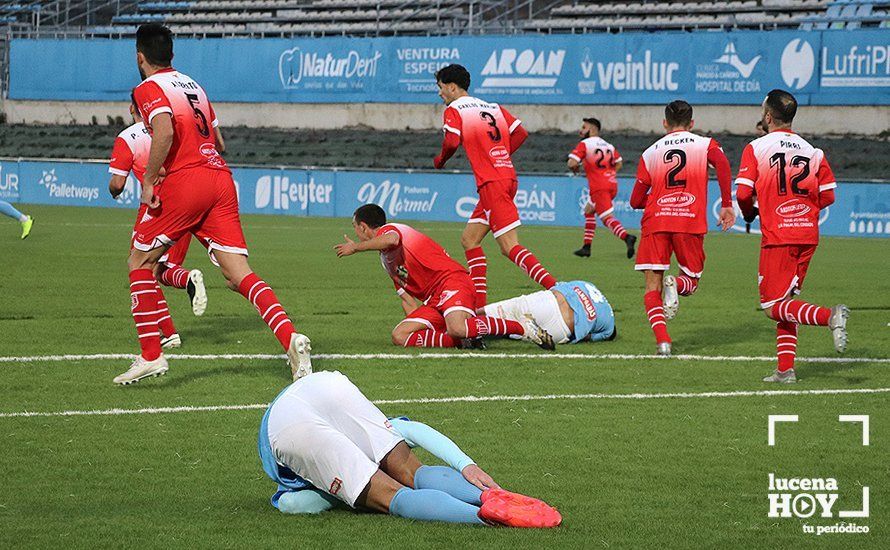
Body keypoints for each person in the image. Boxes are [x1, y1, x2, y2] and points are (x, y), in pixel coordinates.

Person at [115, 23, 311, 385]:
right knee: (239, 274)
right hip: (220, 178)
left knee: (139, 261)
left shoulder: (147, 88)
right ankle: (291, 340)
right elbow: (219, 141)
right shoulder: (194, 86)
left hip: (188, 179)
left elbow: (165, 130)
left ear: (140, 57)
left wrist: (149, 178)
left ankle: (151, 355)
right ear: (171, 55)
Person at [259, 369, 562, 527]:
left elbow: (293, 505)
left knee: (390, 496)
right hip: (324, 383)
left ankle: (484, 516)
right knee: (412, 470)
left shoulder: (292, 454)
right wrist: (465, 464)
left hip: (284, 424)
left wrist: (341, 496)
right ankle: (486, 496)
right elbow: (415, 430)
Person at [735, 89, 849, 383]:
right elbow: (828, 197)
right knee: (786, 302)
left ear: (769, 116)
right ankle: (785, 369)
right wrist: (802, 209)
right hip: (807, 235)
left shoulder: (756, 147)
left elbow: (744, 193)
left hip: (779, 235)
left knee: (773, 306)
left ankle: (829, 316)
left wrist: (753, 211)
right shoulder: (813, 151)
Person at [335, 204, 556, 350]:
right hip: (434, 300)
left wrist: (356, 248)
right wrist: (420, 323)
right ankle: (463, 342)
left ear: (363, 227)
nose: (355, 233)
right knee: (400, 335)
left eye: (355, 228)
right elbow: (407, 299)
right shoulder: (386, 261)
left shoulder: (391, 230)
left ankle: (522, 327)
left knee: (457, 327)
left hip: (452, 281)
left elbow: (391, 240)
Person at [433, 64, 558, 308]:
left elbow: (450, 142)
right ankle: (479, 308)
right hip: (506, 177)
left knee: (509, 246)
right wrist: (499, 153)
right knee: (470, 239)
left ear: (451, 87)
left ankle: (559, 290)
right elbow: (520, 133)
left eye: (440, 88)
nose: (439, 94)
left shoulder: (454, 109)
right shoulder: (493, 107)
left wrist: (441, 160)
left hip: (492, 183)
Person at [630, 100, 735, 356]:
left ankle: (663, 342)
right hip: (688, 220)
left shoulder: (650, 152)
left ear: (664, 123)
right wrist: (727, 204)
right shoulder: (705, 144)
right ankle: (675, 284)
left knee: (651, 286)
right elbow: (722, 164)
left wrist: (656, 201)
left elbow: (635, 201)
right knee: (691, 281)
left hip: (656, 221)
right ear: (692, 124)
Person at [108, 94, 209, 350]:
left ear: (132, 107)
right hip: (186, 202)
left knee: (142, 266)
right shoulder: (174, 129)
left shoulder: (128, 137)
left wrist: (113, 188)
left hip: (155, 210)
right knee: (156, 271)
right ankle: (169, 332)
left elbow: (117, 185)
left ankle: (184, 284)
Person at [567, 117, 636, 259]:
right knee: (589, 210)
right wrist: (608, 173)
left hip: (599, 186)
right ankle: (586, 247)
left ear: (591, 129)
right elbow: (619, 162)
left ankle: (627, 237)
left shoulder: (585, 144)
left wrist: (576, 168)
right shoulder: (608, 145)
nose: (581, 130)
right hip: (611, 184)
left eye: (584, 127)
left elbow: (571, 162)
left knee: (606, 218)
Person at [482, 280, 616, 345]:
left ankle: (467, 323)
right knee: (507, 332)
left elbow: (557, 285)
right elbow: (586, 337)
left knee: (486, 313)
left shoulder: (587, 284)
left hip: (547, 301)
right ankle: (525, 329)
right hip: (562, 328)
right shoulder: (608, 329)